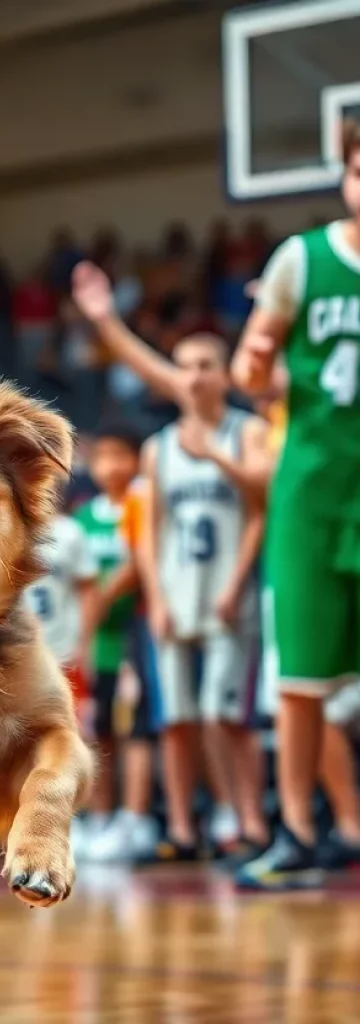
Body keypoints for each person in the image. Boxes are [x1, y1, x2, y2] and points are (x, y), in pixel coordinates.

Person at [72, 262, 269, 863]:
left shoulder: (248, 431)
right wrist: (154, 597)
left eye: (206, 364)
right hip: (175, 597)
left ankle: (249, 822)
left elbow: (261, 505)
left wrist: (216, 458)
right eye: (184, 365)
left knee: (224, 717)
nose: (194, 375)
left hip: (229, 593)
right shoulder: (157, 450)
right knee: (177, 720)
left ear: (225, 373)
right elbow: (149, 535)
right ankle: (183, 828)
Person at [231, 124, 360, 887]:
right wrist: (253, 361)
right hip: (313, 489)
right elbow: (256, 366)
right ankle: (296, 830)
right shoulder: (301, 259)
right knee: (302, 679)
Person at [72, 422, 159, 862]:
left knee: (136, 729)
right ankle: (101, 817)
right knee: (98, 731)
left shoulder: (144, 508)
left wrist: (104, 596)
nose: (110, 466)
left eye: (119, 455)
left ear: (137, 460)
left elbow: (141, 567)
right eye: (102, 456)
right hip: (95, 643)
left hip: (134, 636)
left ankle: (135, 817)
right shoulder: (83, 519)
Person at [23, 507, 97, 729]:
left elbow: (89, 590)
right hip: (17, 651)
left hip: (64, 649)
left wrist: (85, 642)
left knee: (71, 728)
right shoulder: (5, 528)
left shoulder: (70, 532)